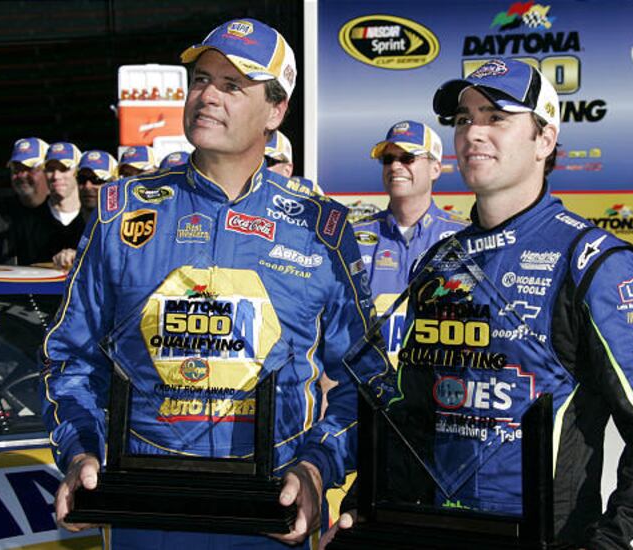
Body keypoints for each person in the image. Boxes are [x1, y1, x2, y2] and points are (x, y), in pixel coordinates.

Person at [41, 17, 387, 549]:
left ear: (276, 110)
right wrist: (82, 453)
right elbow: (69, 359)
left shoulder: (321, 230)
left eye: (232, 85)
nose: (208, 96)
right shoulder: (119, 211)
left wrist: (317, 469)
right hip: (143, 503)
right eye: (201, 79)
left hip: (272, 509)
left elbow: (366, 383)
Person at [327, 58, 633, 549]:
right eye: (463, 119)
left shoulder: (594, 262)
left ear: (544, 140)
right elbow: (410, 416)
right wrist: (364, 507)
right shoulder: (440, 263)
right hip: (430, 532)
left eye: (496, 117)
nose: (473, 133)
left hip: (546, 536)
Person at [354, 120, 468, 308]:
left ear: (435, 169)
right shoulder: (352, 236)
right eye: (388, 159)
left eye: (408, 158)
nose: (395, 166)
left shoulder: (464, 236)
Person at [11, 142, 85, 266]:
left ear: (78, 172)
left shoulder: (95, 219)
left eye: (64, 169)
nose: (56, 176)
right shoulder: (27, 221)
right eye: (50, 169)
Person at [51, 150, 118, 271]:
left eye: (97, 179)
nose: (87, 186)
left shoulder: (125, 227)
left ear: (114, 183)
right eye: (82, 179)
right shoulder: (66, 231)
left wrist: (83, 256)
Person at [264, 130, 324, 195]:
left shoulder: (308, 195)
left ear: (287, 170)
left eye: (266, 161)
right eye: (254, 162)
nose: (257, 167)